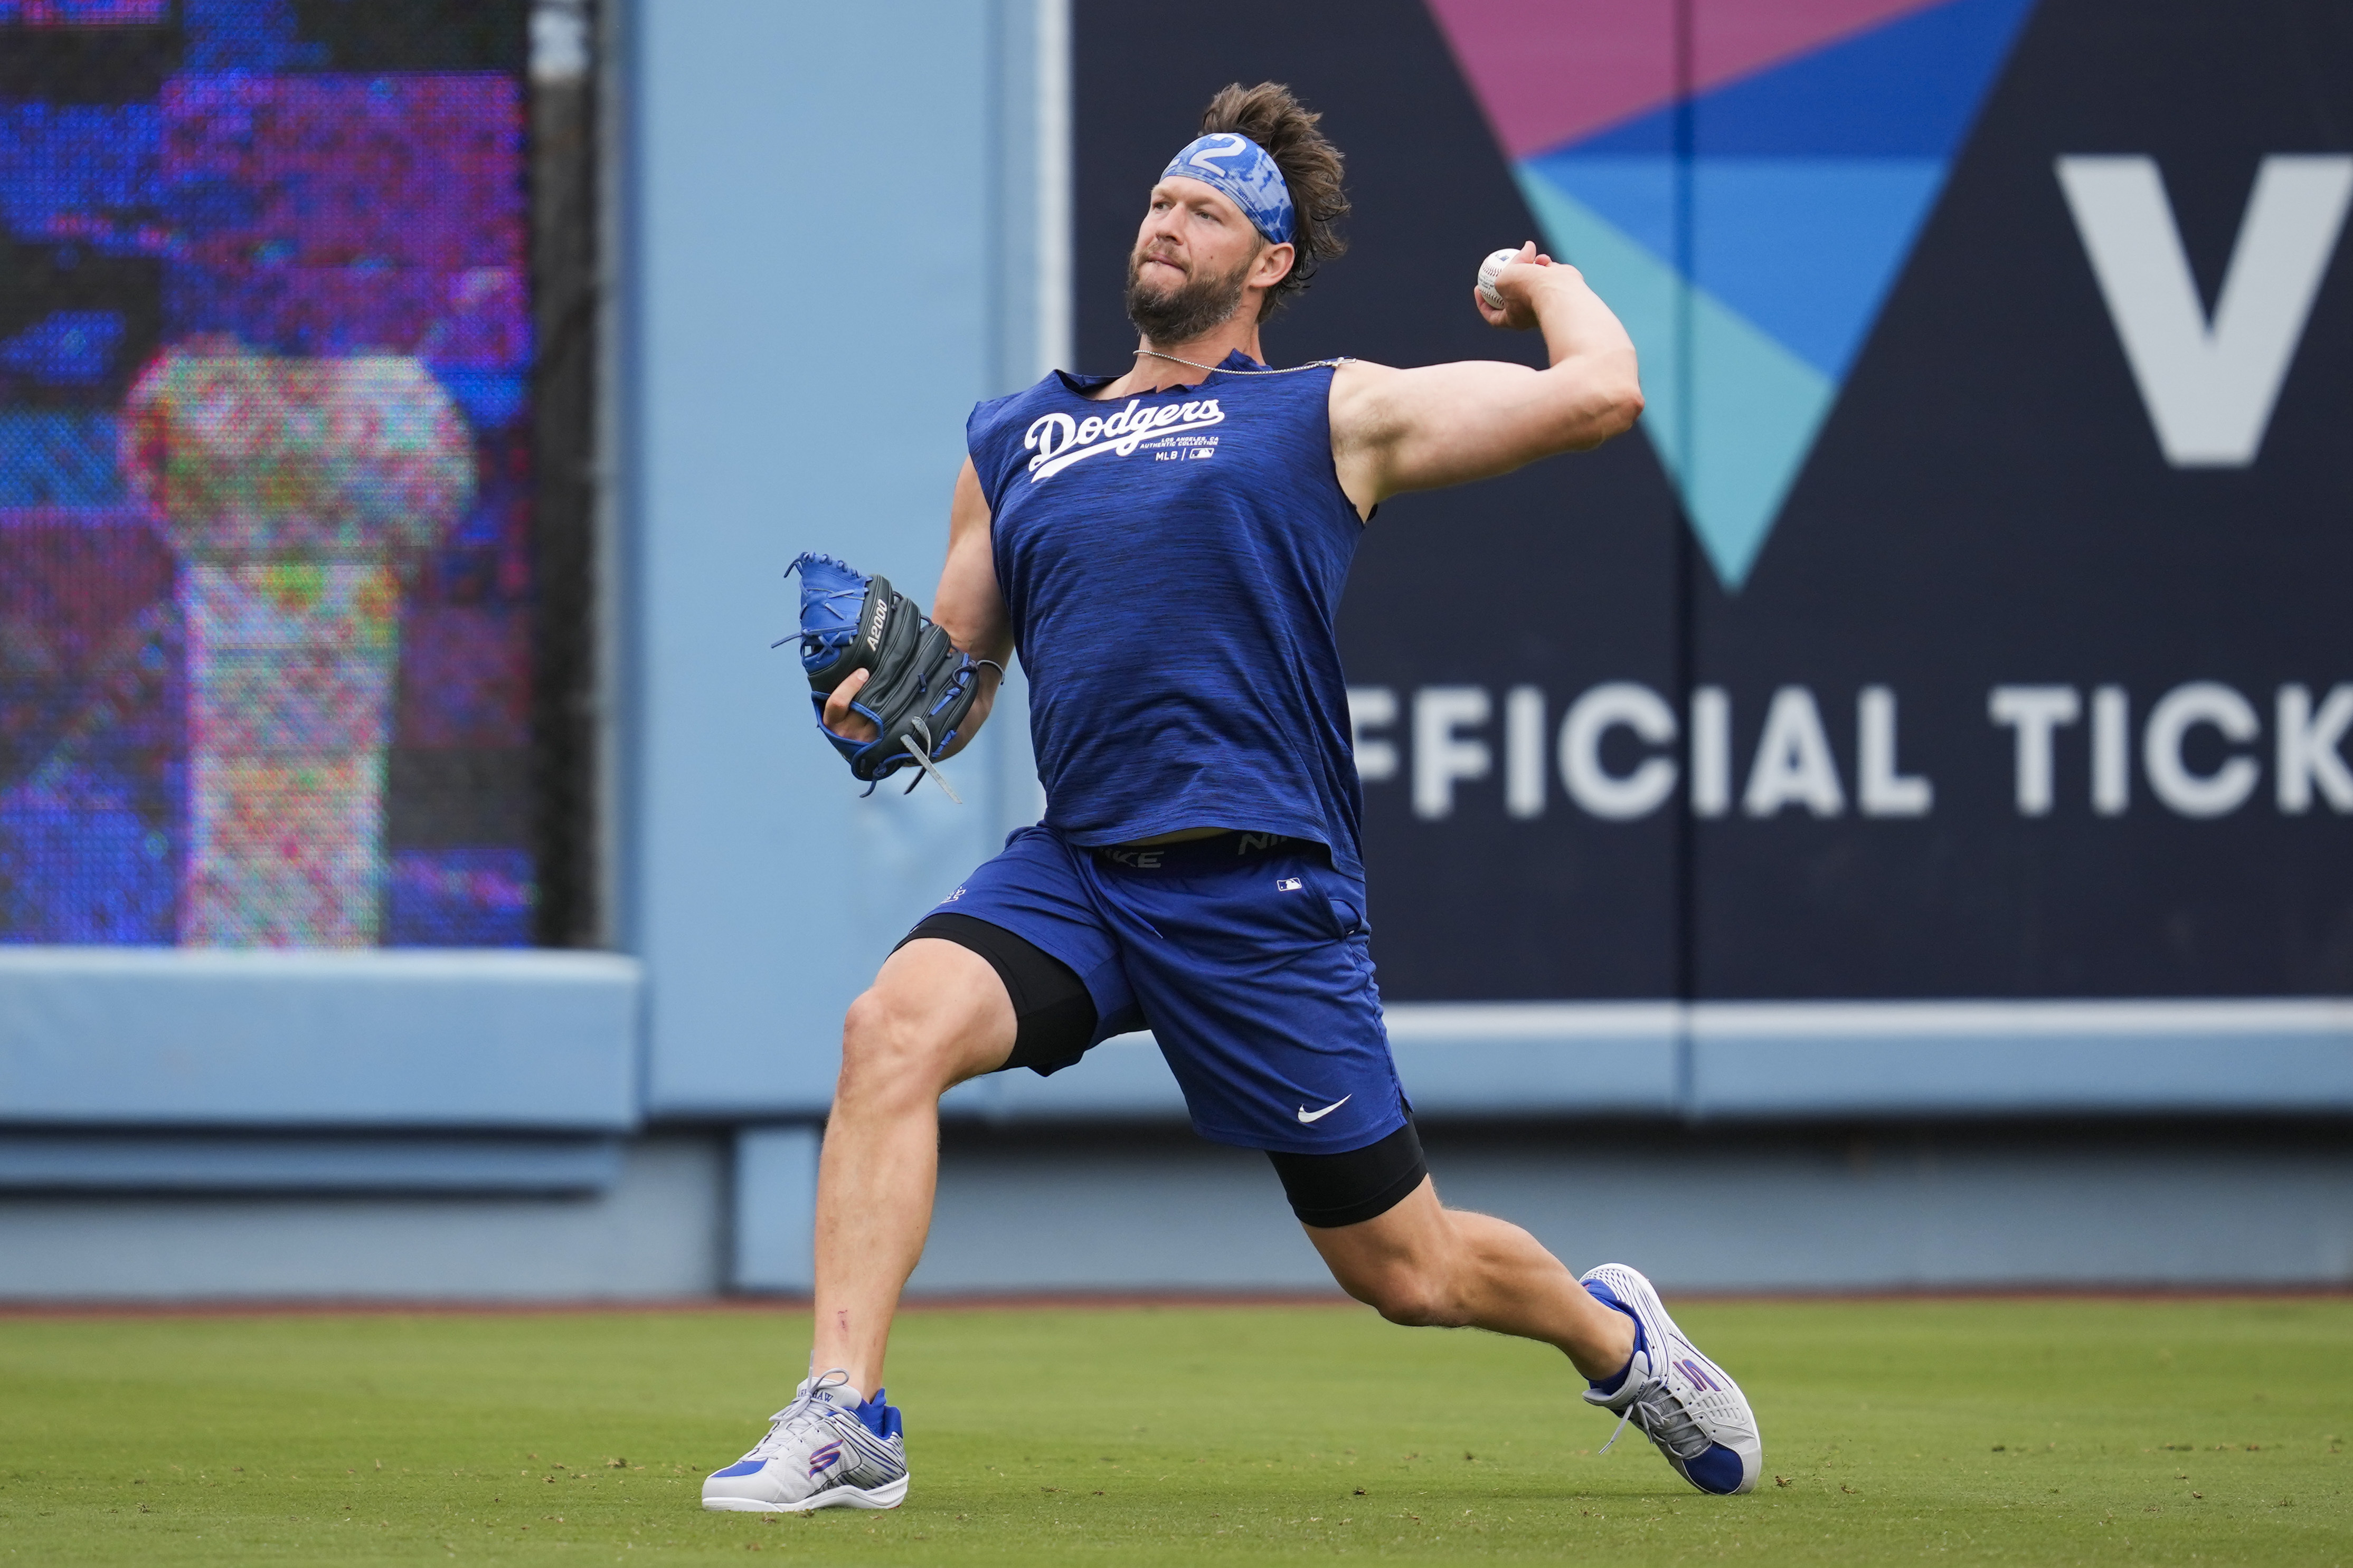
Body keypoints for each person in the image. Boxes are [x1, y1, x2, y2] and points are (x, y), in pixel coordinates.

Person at [701, 80, 1761, 1515]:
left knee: (1409, 1271)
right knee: (888, 1029)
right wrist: (883, 703)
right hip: (1079, 871)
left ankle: (1615, 1336)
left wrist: (1542, 282)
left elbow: (1602, 395)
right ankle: (844, 1412)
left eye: (1205, 210)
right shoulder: (1015, 438)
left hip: (1258, 888)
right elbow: (950, 690)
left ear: (1266, 262)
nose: (1166, 222)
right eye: (1157, 200)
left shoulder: (1323, 414)